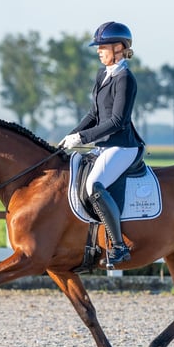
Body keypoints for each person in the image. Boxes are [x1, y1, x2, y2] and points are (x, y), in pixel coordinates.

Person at [59, 21, 144, 268]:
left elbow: (118, 121)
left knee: (94, 186)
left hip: (122, 146)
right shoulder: (103, 74)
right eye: (98, 47)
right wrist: (72, 135)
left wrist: (84, 138)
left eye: (103, 47)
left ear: (119, 48)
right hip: (104, 145)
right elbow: (94, 114)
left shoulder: (125, 79)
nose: (98, 51)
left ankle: (118, 247)